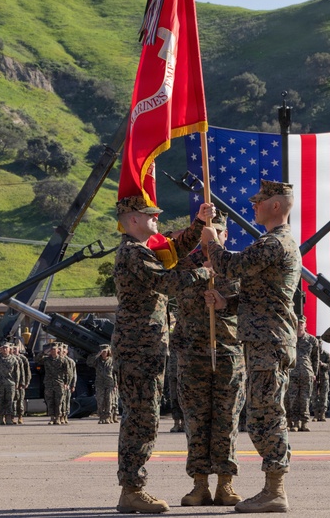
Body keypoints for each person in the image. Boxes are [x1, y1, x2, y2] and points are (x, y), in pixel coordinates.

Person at [203, 180, 301, 513]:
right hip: (264, 339)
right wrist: (226, 303)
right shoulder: (275, 243)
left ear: (276, 204)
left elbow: (231, 266)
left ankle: (275, 491)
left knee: (267, 416)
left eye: (258, 201)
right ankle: (272, 488)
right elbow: (259, 295)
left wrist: (212, 243)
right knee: (262, 415)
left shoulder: (275, 243)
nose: (253, 205)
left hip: (268, 342)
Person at [112, 195, 214, 514]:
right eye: (150, 215)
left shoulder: (144, 250)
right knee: (140, 419)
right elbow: (166, 282)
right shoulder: (132, 253)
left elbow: (172, 252)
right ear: (133, 220)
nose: (156, 218)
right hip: (138, 348)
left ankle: (132, 487)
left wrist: (199, 224)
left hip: (145, 347)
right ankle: (132, 490)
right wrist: (204, 272)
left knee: (145, 416)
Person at [172, 210, 246, 507]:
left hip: (228, 354)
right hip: (192, 354)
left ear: (224, 236)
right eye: (206, 233)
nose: (210, 238)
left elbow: (250, 306)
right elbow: (170, 287)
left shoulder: (237, 266)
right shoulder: (184, 265)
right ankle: (199, 484)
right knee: (196, 422)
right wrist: (201, 273)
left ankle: (225, 484)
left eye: (216, 233)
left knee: (227, 421)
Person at [287, 315, 320, 433]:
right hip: (292, 373)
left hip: (306, 372)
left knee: (305, 399)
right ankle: (295, 423)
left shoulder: (312, 340)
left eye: (302, 323)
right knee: (293, 398)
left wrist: (315, 373)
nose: (300, 325)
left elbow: (316, 358)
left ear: (305, 325)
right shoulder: (290, 339)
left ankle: (304, 423)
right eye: (298, 323)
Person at [86, 344, 118, 424]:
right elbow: (89, 363)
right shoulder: (97, 361)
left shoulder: (112, 361)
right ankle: (101, 417)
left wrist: (116, 383)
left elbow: (115, 373)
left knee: (109, 401)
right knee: (100, 401)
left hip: (110, 383)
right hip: (100, 383)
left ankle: (107, 417)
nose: (104, 353)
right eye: (102, 352)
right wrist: (97, 355)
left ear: (108, 352)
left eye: (105, 351)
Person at [42, 343, 64, 425]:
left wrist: (66, 382)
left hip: (59, 383)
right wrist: (43, 352)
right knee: (50, 401)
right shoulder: (46, 359)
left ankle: (58, 417)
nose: (53, 351)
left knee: (58, 401)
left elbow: (67, 372)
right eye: (51, 350)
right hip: (49, 383)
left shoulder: (62, 360)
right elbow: (37, 359)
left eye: (54, 349)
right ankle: (52, 418)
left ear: (58, 350)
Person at [310, 346, 330, 422]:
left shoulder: (326, 354)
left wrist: (323, 364)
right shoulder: (312, 354)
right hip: (314, 378)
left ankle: (322, 414)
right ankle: (316, 414)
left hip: (324, 378)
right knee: (314, 396)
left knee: (324, 396)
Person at [167, 345, 184, 432]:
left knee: (184, 396)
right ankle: (176, 423)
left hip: (183, 366)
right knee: (174, 396)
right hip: (173, 368)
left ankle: (184, 423)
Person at [60, 344, 76, 424]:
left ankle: (65, 416)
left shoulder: (70, 361)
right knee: (60, 401)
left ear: (66, 352)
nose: (62, 352)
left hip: (67, 384)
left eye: (64, 351)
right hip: (59, 384)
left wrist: (73, 385)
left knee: (66, 401)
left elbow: (73, 374)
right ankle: (59, 416)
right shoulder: (58, 361)